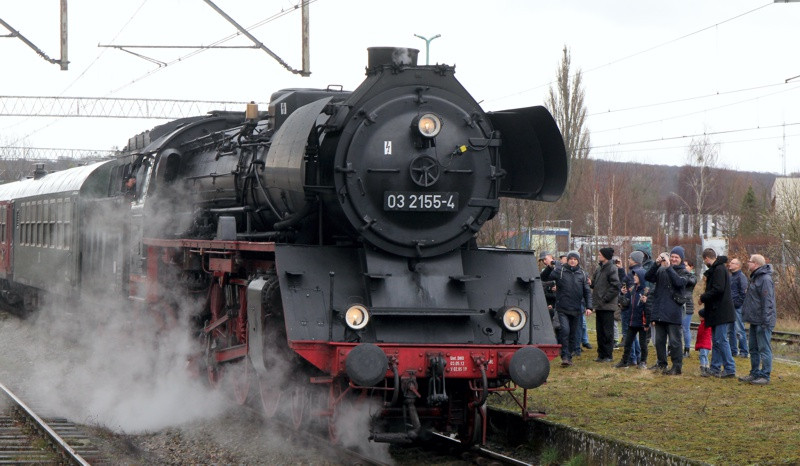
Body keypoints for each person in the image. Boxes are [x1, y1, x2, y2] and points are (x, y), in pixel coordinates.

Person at [541, 251, 593, 367]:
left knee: (573, 334)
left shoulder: (582, 274)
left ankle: (569, 357)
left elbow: (587, 292)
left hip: (576, 309)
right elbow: (544, 278)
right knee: (565, 331)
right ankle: (564, 356)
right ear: (568, 260)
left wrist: (589, 306)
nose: (573, 261)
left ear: (578, 261)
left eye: (575, 259)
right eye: (571, 259)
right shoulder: (560, 271)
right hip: (562, 308)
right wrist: (550, 267)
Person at [644, 246, 689, 375]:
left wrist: (669, 267)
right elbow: (648, 277)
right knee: (659, 341)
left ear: (681, 259)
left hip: (673, 312)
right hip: (659, 311)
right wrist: (656, 264)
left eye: (677, 257)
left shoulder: (684, 272)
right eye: (672, 256)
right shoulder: (661, 270)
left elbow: (679, 283)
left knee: (675, 341)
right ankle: (661, 363)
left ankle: (677, 366)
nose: (674, 259)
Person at [699, 248, 737, 378]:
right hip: (717, 311)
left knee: (721, 340)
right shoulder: (718, 269)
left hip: (721, 311)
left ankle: (730, 368)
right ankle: (715, 367)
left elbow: (718, 289)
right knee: (716, 340)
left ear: (707, 258)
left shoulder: (719, 269)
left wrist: (703, 297)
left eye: (704, 260)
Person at [739, 254, 776, 385]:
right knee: (753, 348)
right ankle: (754, 373)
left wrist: (766, 321)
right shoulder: (755, 278)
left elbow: (768, 301)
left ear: (755, 264)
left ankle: (765, 375)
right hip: (754, 319)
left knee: (764, 348)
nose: (747, 264)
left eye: (749, 261)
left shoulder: (765, 279)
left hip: (763, 321)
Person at [590, 247, 621, 362]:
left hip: (607, 306)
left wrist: (605, 299)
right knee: (600, 331)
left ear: (605, 256)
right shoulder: (599, 268)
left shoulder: (612, 268)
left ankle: (608, 355)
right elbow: (594, 284)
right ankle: (601, 354)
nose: (598, 255)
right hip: (599, 305)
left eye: (600, 254)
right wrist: (590, 283)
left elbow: (615, 286)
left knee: (608, 332)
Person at [615, 267, 649, 369]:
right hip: (632, 321)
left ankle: (643, 362)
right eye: (634, 275)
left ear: (641, 277)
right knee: (628, 343)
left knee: (643, 344)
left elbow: (650, 307)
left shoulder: (646, 291)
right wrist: (622, 294)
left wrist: (647, 322)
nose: (634, 277)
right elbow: (626, 303)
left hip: (642, 322)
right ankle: (624, 361)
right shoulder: (633, 289)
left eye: (636, 275)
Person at [728, 257, 750, 358]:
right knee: (730, 329)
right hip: (730, 306)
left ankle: (744, 351)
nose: (730, 264)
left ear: (738, 266)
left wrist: (738, 303)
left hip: (737, 307)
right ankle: (733, 350)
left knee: (739, 329)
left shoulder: (741, 277)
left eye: (732, 263)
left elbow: (744, 292)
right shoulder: (731, 276)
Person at [681, 259, 698, 358]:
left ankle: (687, 349)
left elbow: (689, 282)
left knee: (685, 328)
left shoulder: (692, 277)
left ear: (691, 267)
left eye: (686, 265)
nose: (684, 267)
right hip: (679, 304)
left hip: (688, 305)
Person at [695, 309, 713, 375]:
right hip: (707, 344)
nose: (699, 318)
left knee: (702, 356)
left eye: (700, 316)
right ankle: (707, 367)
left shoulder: (703, 324)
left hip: (703, 343)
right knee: (705, 356)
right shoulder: (708, 324)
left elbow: (700, 334)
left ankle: (703, 367)